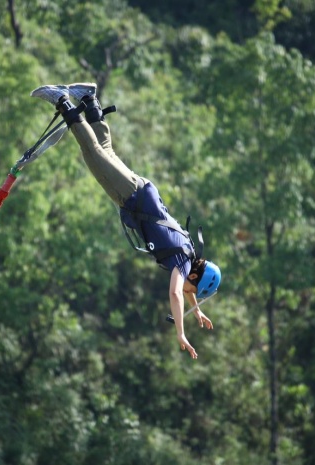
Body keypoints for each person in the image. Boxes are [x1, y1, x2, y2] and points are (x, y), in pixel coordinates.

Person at [31, 83, 221, 359]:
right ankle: (62, 100)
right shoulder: (182, 263)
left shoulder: (189, 255)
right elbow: (177, 294)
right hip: (131, 196)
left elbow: (188, 288)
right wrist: (181, 331)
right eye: (195, 290)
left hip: (141, 189)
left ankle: (89, 99)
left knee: (105, 150)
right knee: (93, 154)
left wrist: (198, 309)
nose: (190, 293)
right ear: (193, 276)